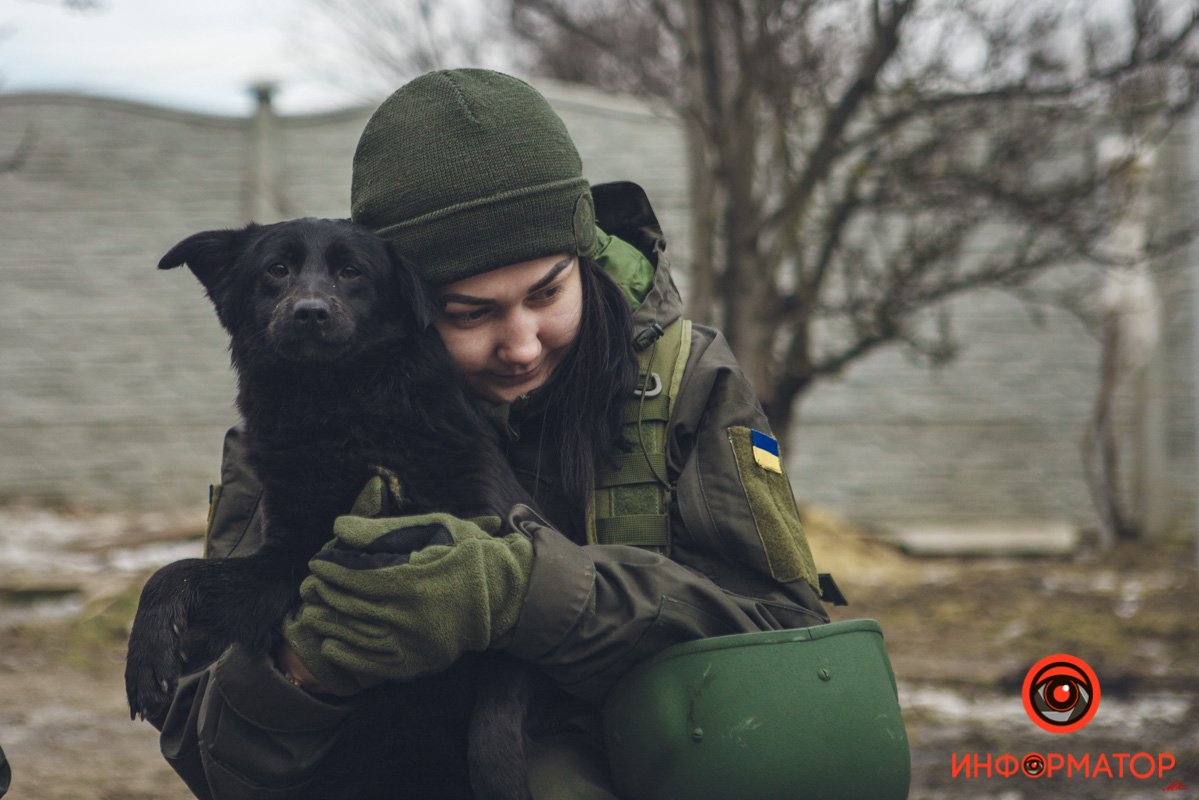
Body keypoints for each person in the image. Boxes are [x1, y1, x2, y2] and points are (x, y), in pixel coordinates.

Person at [156, 69, 831, 800]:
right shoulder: (304, 418)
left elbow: (789, 643)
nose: (521, 345)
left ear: (584, 263)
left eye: (547, 293)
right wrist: (306, 663)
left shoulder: (683, 381)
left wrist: (524, 591)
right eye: (471, 313)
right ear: (399, 301)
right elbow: (209, 754)